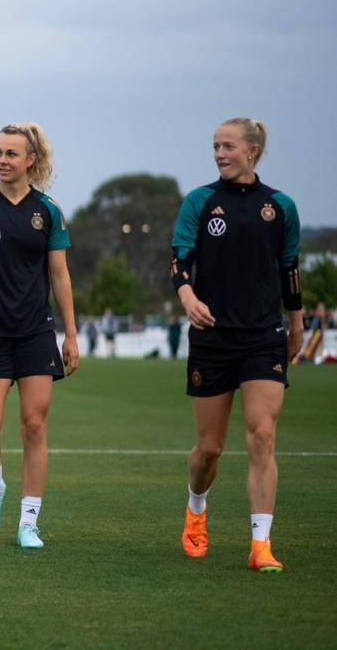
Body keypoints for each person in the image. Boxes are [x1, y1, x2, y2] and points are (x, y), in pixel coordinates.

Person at [171, 118, 302, 572]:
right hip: (212, 338)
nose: (219, 154)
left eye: (228, 146)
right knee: (209, 449)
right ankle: (196, 511)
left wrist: (296, 325)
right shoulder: (200, 202)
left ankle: (260, 544)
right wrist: (188, 297)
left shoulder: (281, 206)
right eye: (215, 147)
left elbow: (289, 268)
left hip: (264, 337)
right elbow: (179, 259)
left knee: (262, 436)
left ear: (253, 150)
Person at [0, 122, 79, 549]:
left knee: (34, 426)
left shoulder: (49, 211)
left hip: (35, 334)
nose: (2, 160)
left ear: (31, 160)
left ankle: (28, 522)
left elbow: (60, 275)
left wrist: (71, 334)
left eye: (10, 154)